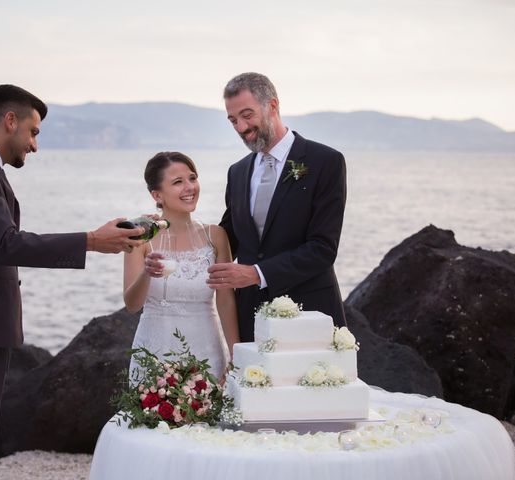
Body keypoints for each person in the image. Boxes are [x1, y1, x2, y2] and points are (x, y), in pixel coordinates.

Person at [0, 84, 145, 480]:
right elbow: (4, 245)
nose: (34, 146)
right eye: (33, 132)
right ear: (10, 121)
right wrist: (90, 241)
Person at [208, 72, 347, 341]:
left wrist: (256, 274)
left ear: (272, 105)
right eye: (233, 120)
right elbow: (228, 238)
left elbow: (323, 248)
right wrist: (172, 231)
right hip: (251, 317)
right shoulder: (237, 172)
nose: (241, 127)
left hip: (311, 312)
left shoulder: (325, 161)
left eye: (247, 115)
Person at [123, 151, 239, 379]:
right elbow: (132, 304)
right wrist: (147, 273)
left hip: (207, 353)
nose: (189, 187)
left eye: (192, 178)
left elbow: (225, 300)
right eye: (178, 182)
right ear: (157, 194)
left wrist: (236, 357)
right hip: (154, 355)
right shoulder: (140, 237)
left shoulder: (215, 236)